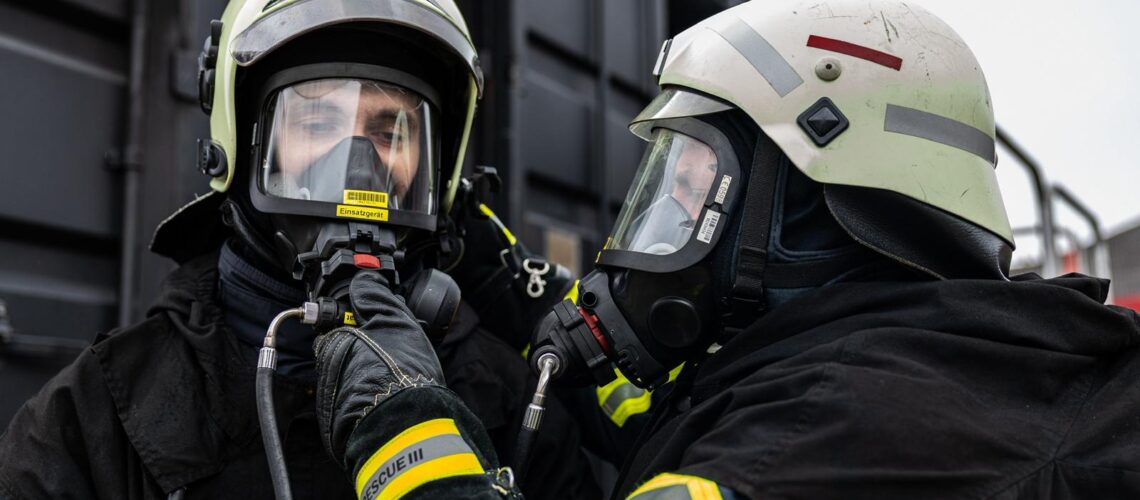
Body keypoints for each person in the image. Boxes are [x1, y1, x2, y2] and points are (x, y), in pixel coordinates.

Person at [312, 0, 1140, 498]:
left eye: (693, 179)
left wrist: (401, 416)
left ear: (807, 202)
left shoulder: (817, 445)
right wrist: (510, 284)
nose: (665, 212)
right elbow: (664, 414)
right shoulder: (921, 356)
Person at [0, 0, 597, 498]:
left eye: (391, 132)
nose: (358, 167)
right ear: (242, 145)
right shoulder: (95, 417)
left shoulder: (513, 400)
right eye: (316, 124)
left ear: (434, 172)